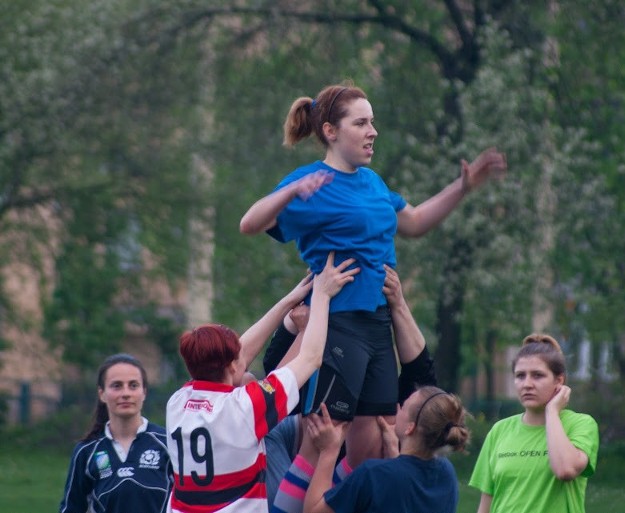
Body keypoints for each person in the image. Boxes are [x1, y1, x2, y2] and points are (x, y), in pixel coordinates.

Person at [239, 81, 507, 467]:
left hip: (378, 327)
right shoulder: (310, 182)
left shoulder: (373, 182)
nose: (372, 131)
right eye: (361, 123)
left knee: (375, 443)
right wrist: (291, 190)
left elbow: (413, 222)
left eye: (373, 122)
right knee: (324, 444)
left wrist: (462, 188)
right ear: (331, 132)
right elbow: (249, 224)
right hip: (336, 326)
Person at [166, 253, 359, 513]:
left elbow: (238, 356)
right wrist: (322, 296)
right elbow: (311, 357)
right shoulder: (244, 407)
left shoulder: (179, 402)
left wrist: (288, 301)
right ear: (232, 365)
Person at [267, 265, 437, 512]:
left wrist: (398, 305)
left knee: (371, 449)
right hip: (308, 447)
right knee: (301, 427)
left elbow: (422, 377)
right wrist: (310, 304)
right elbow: (274, 375)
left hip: (359, 461)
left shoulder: (392, 434)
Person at [469, 334, 599, 513]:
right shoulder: (499, 430)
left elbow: (565, 470)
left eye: (537, 375)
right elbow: (485, 506)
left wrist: (552, 411)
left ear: (559, 381)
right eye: (520, 376)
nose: (527, 384)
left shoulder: (580, 424)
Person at [302, 388, 469, 513]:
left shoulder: (373, 474)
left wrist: (329, 449)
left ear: (410, 427)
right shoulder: (446, 474)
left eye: (403, 406)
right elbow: (407, 487)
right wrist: (395, 455)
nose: (398, 409)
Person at [59, 353, 172, 513]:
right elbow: (71, 508)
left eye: (133, 385)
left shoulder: (168, 443)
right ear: (102, 394)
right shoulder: (86, 451)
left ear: (144, 392)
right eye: (117, 386)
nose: (126, 393)